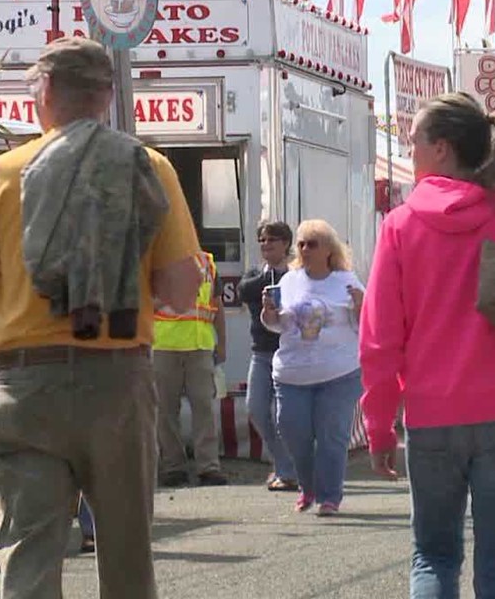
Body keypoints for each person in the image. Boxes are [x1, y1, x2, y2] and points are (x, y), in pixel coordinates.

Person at [0, 36, 201, 598]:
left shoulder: (5, 174)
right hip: (118, 383)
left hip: (23, 385)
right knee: (126, 556)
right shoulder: (150, 167)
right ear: (107, 96)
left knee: (29, 553)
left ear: (43, 92)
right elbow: (181, 292)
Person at [358, 92, 495, 598]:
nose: (407, 149)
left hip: (432, 416)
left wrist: (378, 423)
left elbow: (379, 339)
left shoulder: (401, 225)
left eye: (412, 140)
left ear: (441, 149)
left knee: (433, 557)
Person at [262, 219, 365, 517]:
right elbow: (276, 325)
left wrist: (361, 306)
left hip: (339, 373)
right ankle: (308, 487)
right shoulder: (289, 281)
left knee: (332, 436)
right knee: (293, 432)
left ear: (329, 250)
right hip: (293, 372)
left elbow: (367, 324)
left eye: (313, 244)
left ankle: (330, 496)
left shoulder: (347, 281)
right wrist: (268, 312)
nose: (305, 249)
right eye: (302, 243)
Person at [153, 249, 229, 487]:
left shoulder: (207, 262)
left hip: (200, 345)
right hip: (164, 345)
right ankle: (173, 467)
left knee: (204, 407)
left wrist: (222, 342)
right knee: (165, 411)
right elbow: (145, 302)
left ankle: (208, 467)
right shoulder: (157, 259)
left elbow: (217, 305)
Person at [236, 220, 300, 492]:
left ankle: (289, 469)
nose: (266, 244)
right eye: (262, 240)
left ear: (286, 243)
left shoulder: (298, 276)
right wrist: (269, 278)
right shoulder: (255, 275)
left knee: (283, 415)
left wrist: (285, 276)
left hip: (289, 353)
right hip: (261, 354)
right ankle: (285, 465)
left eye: (272, 240)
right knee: (256, 409)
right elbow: (244, 290)